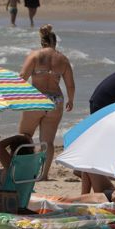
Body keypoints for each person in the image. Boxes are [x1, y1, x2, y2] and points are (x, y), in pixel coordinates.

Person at [18, 25, 75, 180]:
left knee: (25, 136)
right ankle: (44, 175)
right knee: (48, 141)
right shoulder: (62, 59)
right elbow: (70, 84)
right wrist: (71, 99)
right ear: (55, 43)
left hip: (36, 99)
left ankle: (24, 169)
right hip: (55, 101)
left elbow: (22, 76)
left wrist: (14, 95)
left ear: (41, 42)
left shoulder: (35, 56)